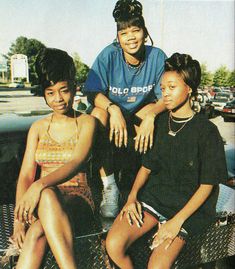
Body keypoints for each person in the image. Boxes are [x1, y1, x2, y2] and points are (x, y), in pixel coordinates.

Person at [106, 53, 228, 269]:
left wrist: (175, 223)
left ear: (189, 88)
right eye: (162, 89)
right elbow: (146, 166)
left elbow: (207, 186)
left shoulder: (207, 131)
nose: (166, 94)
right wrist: (132, 198)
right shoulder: (159, 123)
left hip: (187, 210)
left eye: (172, 87)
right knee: (114, 244)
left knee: (157, 266)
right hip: (154, 200)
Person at [11, 48, 96, 269]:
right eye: (50, 93)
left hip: (78, 199)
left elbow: (77, 161)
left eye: (64, 90)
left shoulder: (87, 123)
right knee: (37, 229)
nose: (58, 99)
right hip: (42, 202)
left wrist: (39, 185)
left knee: (41, 217)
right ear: (44, 94)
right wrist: (18, 223)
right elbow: (25, 176)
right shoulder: (38, 128)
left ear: (74, 88)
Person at [84, 0, 167, 218]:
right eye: (124, 32)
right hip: (113, 116)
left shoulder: (157, 56)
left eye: (135, 30)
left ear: (144, 32)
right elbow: (92, 93)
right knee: (97, 115)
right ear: (118, 37)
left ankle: (146, 186)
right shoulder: (108, 55)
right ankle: (109, 185)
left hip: (138, 116)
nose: (130, 37)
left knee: (159, 115)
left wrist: (151, 115)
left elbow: (165, 97)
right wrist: (113, 109)